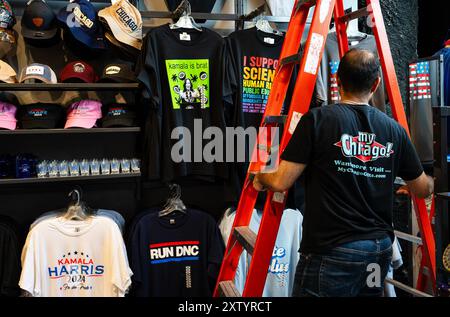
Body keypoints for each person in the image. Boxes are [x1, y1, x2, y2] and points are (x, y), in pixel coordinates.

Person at [253, 49, 434, 297]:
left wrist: (260, 177)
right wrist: (433, 182)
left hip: (331, 252)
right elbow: (422, 188)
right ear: (376, 84)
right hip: (377, 252)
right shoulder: (395, 131)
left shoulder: (317, 120)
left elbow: (281, 180)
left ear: (337, 81)